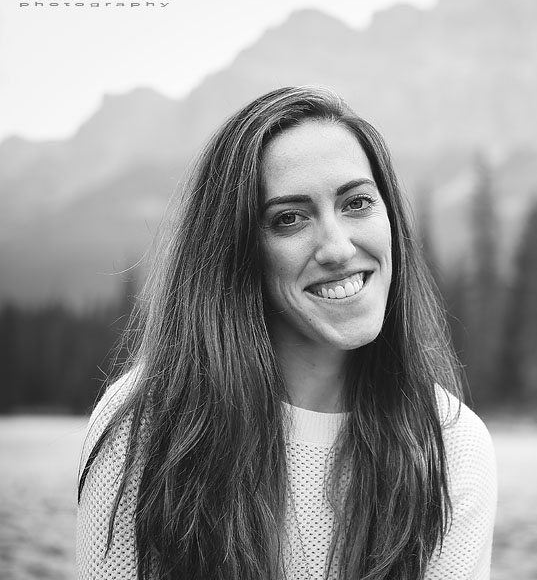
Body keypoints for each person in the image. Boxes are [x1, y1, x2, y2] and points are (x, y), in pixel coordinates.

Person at [76, 86, 498, 580]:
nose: (337, 248)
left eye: (357, 202)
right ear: (236, 253)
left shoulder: (451, 444)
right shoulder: (146, 423)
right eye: (290, 219)